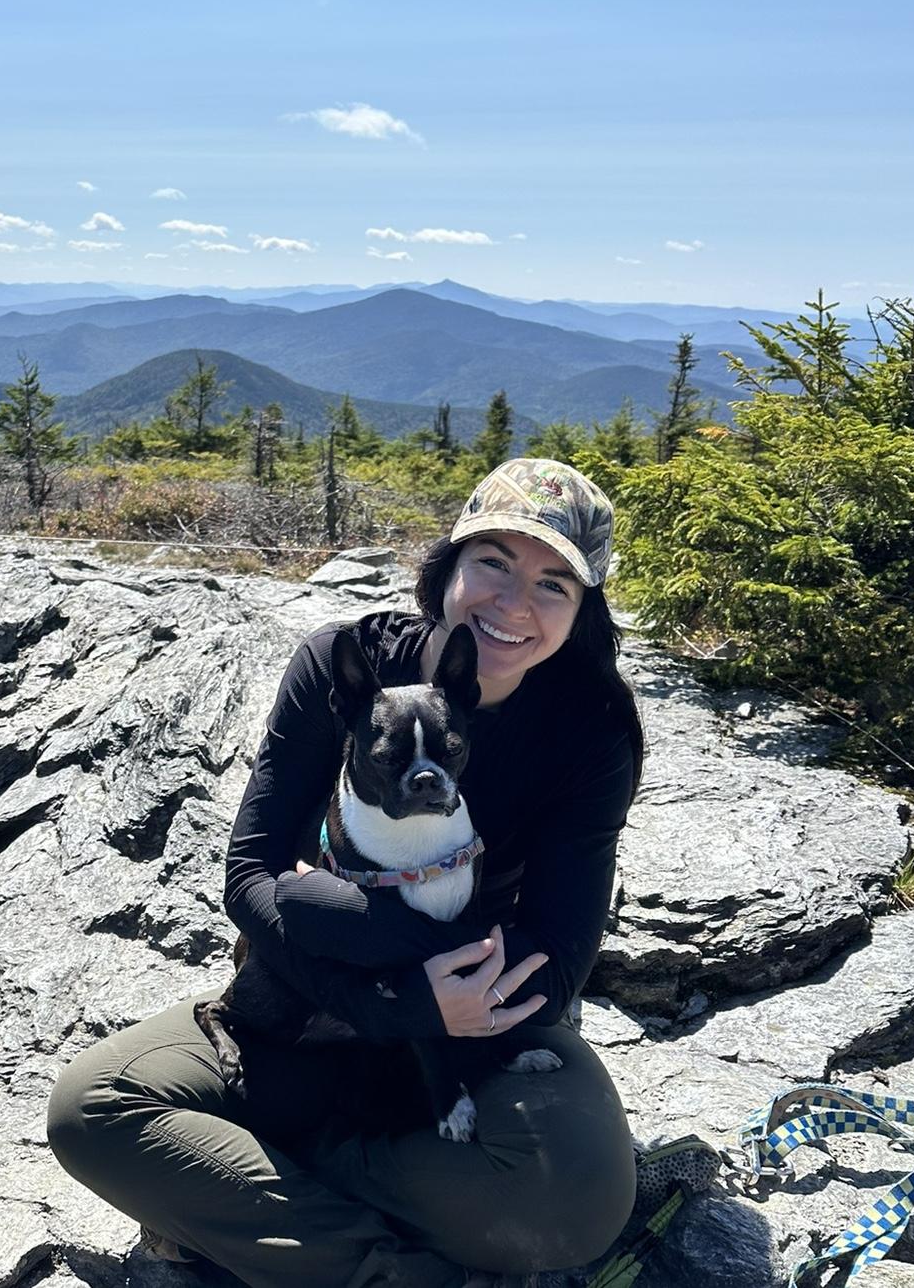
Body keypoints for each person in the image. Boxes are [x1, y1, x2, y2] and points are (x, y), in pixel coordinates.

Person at [48, 458, 646, 1287]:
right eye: (495, 565)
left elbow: (561, 955)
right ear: (448, 569)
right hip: (307, 998)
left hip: (479, 1015)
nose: (513, 605)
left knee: (580, 1201)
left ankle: (264, 1187)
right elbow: (252, 879)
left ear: (582, 612)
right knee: (94, 1110)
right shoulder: (341, 664)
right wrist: (388, 1000)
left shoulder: (589, 730)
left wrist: (376, 944)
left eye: (554, 585)